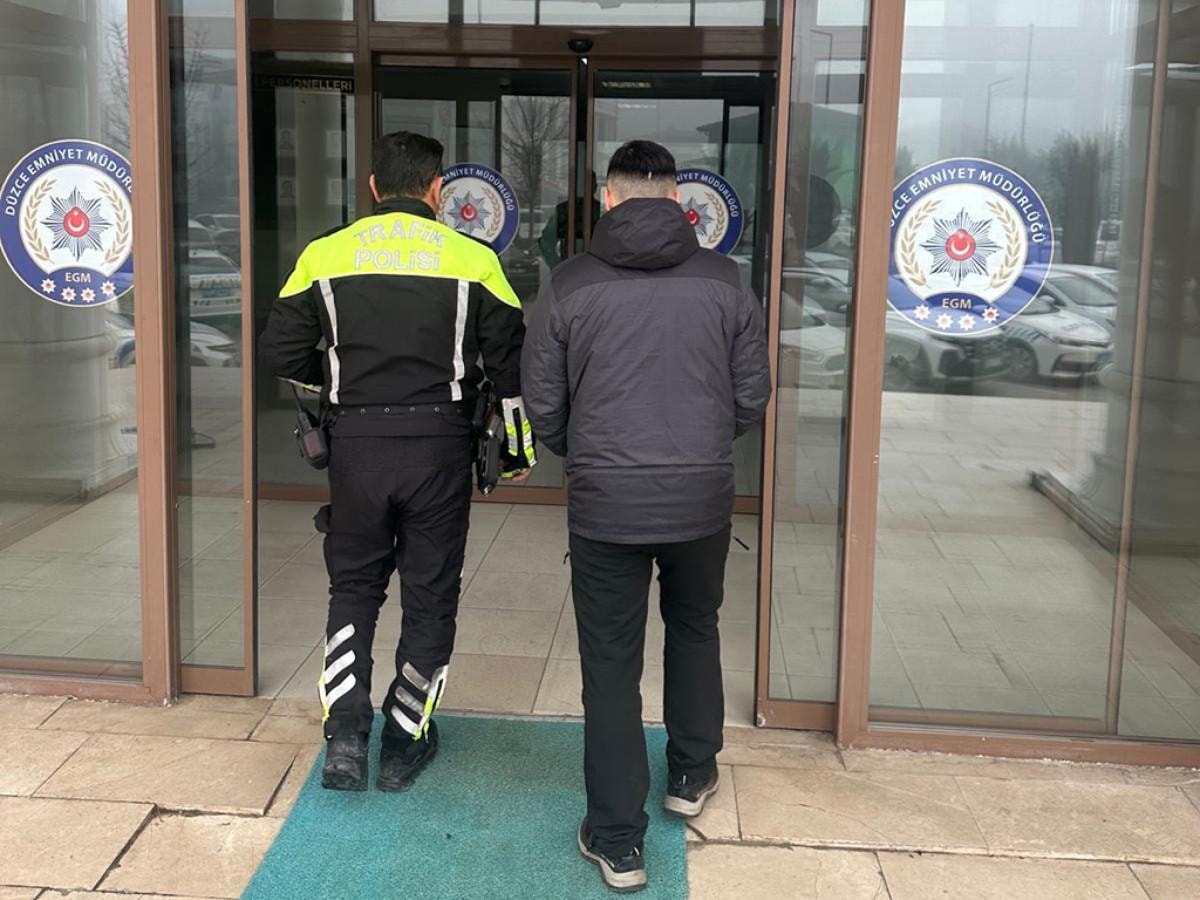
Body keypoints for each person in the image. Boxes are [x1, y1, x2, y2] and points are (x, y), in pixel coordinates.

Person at [521, 140, 771, 893]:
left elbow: (544, 404)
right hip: (700, 499)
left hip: (606, 504)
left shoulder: (570, 283)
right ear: (677, 199)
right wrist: (699, 448)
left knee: (609, 664)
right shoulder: (725, 280)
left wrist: (588, 453)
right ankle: (691, 775)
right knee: (695, 628)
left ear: (607, 197)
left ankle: (618, 841)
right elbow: (751, 396)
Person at [259, 131, 536, 793]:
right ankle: (404, 740)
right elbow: (510, 368)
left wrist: (337, 384)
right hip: (440, 448)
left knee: (353, 586)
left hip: (355, 448)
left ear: (374, 187)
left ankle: (345, 738)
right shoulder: (474, 260)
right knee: (430, 594)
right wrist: (518, 450)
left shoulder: (324, 254)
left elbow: (281, 352)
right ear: (437, 189)